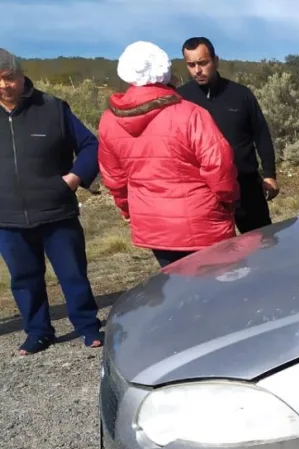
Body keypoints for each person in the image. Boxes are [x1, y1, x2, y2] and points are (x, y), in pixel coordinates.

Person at [97, 41, 240, 269]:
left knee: (176, 290)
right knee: (217, 293)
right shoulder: (191, 114)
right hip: (202, 221)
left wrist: (127, 209)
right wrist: (227, 201)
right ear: (165, 71)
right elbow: (219, 165)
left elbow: (114, 177)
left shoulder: (109, 120)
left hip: (153, 224)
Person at [0, 48, 103, 355]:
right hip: (7, 218)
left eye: (9, 78)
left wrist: (73, 178)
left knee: (72, 273)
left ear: (21, 75)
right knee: (24, 279)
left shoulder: (52, 107)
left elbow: (90, 146)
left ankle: (88, 326)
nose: (5, 85)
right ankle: (38, 332)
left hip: (57, 211)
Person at [177, 37, 280, 234]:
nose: (197, 70)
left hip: (246, 185)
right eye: (191, 65)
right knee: (219, 257)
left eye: (203, 62)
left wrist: (269, 174)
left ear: (216, 60)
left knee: (263, 244)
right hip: (204, 192)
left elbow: (261, 134)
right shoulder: (181, 99)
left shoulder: (241, 94)